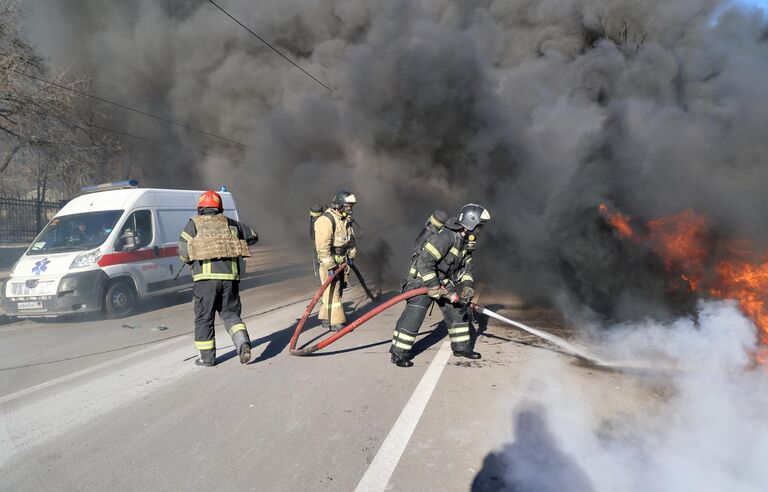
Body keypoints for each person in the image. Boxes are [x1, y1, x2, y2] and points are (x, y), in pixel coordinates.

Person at [389, 204, 491, 367]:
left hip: (441, 279)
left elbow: (466, 269)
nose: (480, 231)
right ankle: (398, 353)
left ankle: (462, 348)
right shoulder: (446, 237)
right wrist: (433, 287)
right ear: (470, 224)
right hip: (421, 279)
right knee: (416, 312)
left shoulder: (465, 242)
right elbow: (424, 262)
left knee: (458, 309)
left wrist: (467, 286)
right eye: (479, 227)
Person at [178, 190, 259, 367]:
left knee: (204, 318)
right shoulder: (231, 223)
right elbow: (253, 235)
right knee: (230, 314)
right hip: (230, 279)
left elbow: (183, 249)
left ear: (200, 208)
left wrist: (189, 260)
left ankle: (206, 358)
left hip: (205, 280)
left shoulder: (194, 224)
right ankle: (242, 343)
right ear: (219, 208)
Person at [314, 190, 358, 331]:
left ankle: (326, 318)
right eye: (347, 206)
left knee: (334, 291)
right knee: (333, 289)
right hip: (330, 264)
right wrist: (329, 265)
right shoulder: (326, 220)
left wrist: (351, 255)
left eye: (351, 207)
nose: (350, 209)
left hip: (342, 262)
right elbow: (322, 247)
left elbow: (350, 240)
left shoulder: (344, 220)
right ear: (339, 205)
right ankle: (336, 321)